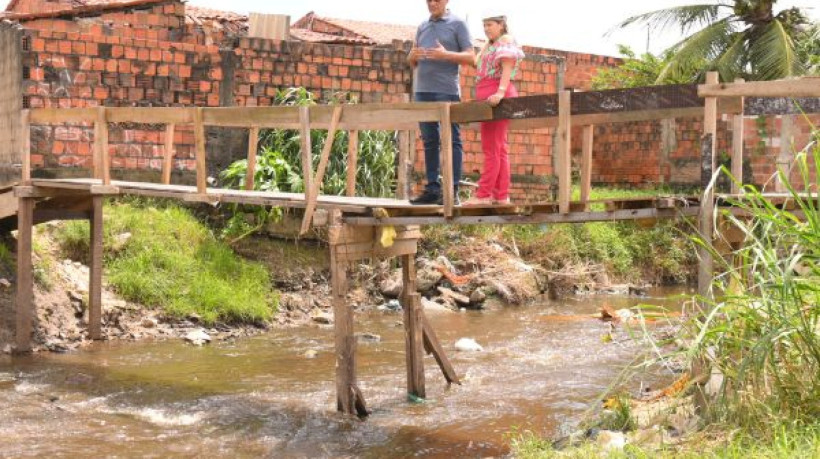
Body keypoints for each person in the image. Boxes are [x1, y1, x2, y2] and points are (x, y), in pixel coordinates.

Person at [407, 0, 475, 205]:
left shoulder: (458, 24)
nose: (432, 3)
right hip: (422, 91)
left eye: (436, 0)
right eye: (428, 0)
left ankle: (452, 191)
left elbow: (471, 57)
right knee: (429, 140)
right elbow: (413, 62)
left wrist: (445, 55)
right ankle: (433, 189)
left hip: (446, 91)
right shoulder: (422, 26)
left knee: (452, 140)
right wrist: (411, 56)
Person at [462, 13, 524, 206]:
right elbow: (479, 66)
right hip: (490, 97)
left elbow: (507, 68)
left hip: (497, 98)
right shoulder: (490, 45)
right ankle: (501, 195)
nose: (486, 29)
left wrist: (500, 92)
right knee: (499, 148)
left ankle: (483, 195)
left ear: (501, 25)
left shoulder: (505, 41)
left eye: (490, 25)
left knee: (491, 149)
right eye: (484, 25)